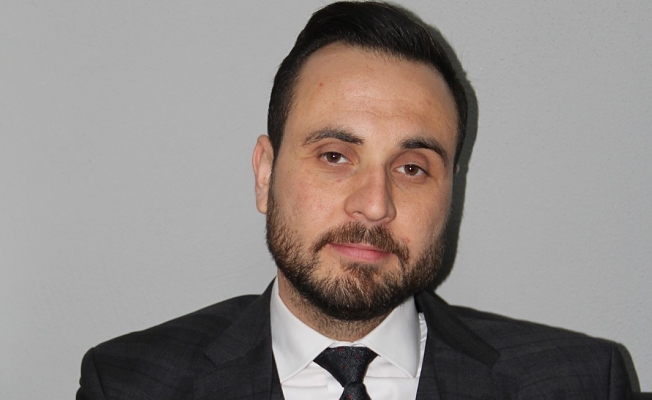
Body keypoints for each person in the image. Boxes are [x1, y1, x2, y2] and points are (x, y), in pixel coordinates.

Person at [77, 2, 634, 399]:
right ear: (265, 174)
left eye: (412, 168)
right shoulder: (128, 383)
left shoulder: (582, 382)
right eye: (335, 156)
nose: (374, 205)